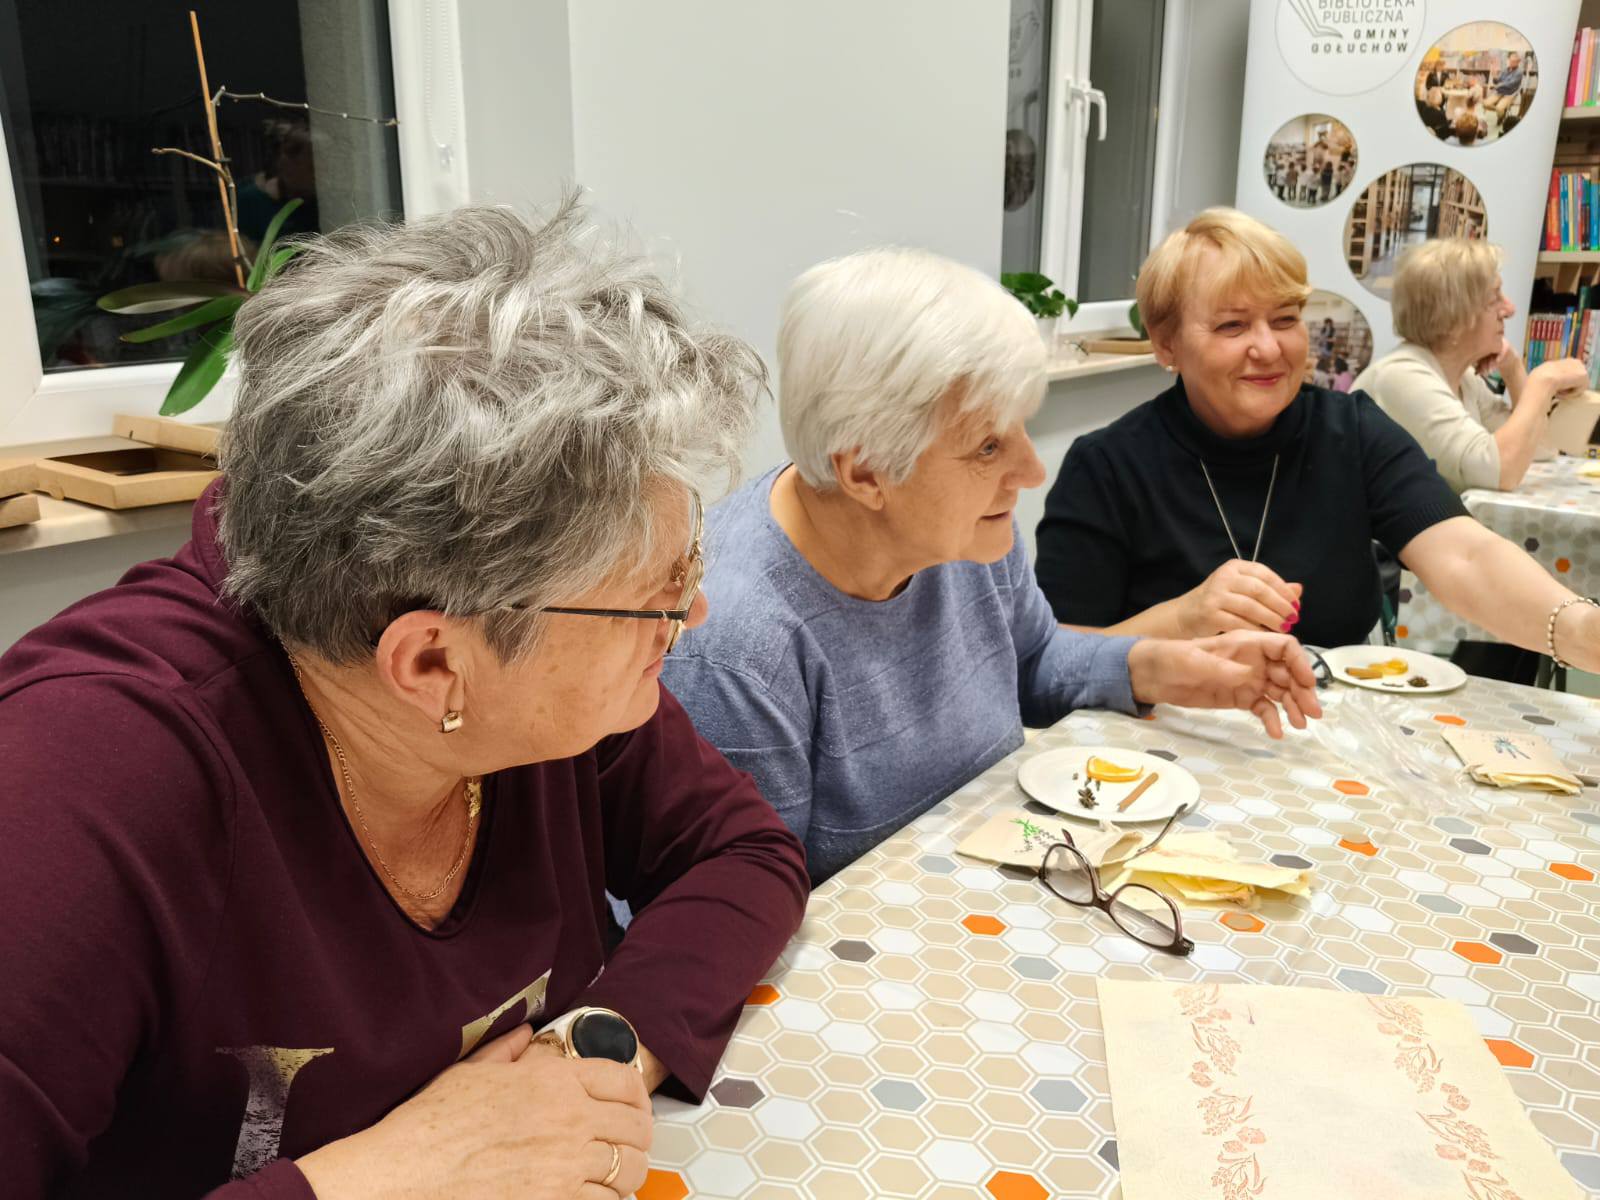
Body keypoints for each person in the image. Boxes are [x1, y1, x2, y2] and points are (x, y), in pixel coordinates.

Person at [0, 200, 809, 1198]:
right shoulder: (78, 786)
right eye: (658, 595)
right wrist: (393, 1174)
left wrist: (583, 1064)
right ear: (431, 665)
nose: (692, 613)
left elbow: (743, 852)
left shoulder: (541, 686)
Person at [664, 248, 1321, 884]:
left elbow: (1031, 662)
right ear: (864, 471)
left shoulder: (961, 532)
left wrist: (1168, 669)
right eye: (987, 447)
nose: (1031, 471)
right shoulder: (734, 643)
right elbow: (744, 898)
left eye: (1019, 428)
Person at [1033, 208, 1600, 671]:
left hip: (1329, 733)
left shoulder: (1352, 431)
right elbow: (1058, 658)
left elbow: (1465, 554)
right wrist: (1184, 619)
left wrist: (1578, 629)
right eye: (1232, 325)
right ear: (1166, 345)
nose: (1268, 348)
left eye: (1285, 319)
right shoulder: (1107, 467)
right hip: (1164, 744)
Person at [1354, 239, 1587, 493]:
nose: (1509, 309)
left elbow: (1540, 448)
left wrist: (1513, 369)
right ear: (1452, 314)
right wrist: (1543, 381)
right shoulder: (1402, 377)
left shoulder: (1463, 379)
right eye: (1494, 298)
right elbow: (1501, 473)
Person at [1487, 51, 1524, 117]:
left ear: (1518, 62)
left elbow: (1511, 84)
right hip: (1500, 92)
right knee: (1485, 104)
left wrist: (1500, 85)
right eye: (1510, 61)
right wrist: (1494, 76)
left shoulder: (1519, 72)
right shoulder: (1505, 70)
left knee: (1499, 108)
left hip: (1510, 94)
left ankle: (1501, 117)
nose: (1511, 62)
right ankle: (1502, 112)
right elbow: (1498, 81)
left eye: (1513, 61)